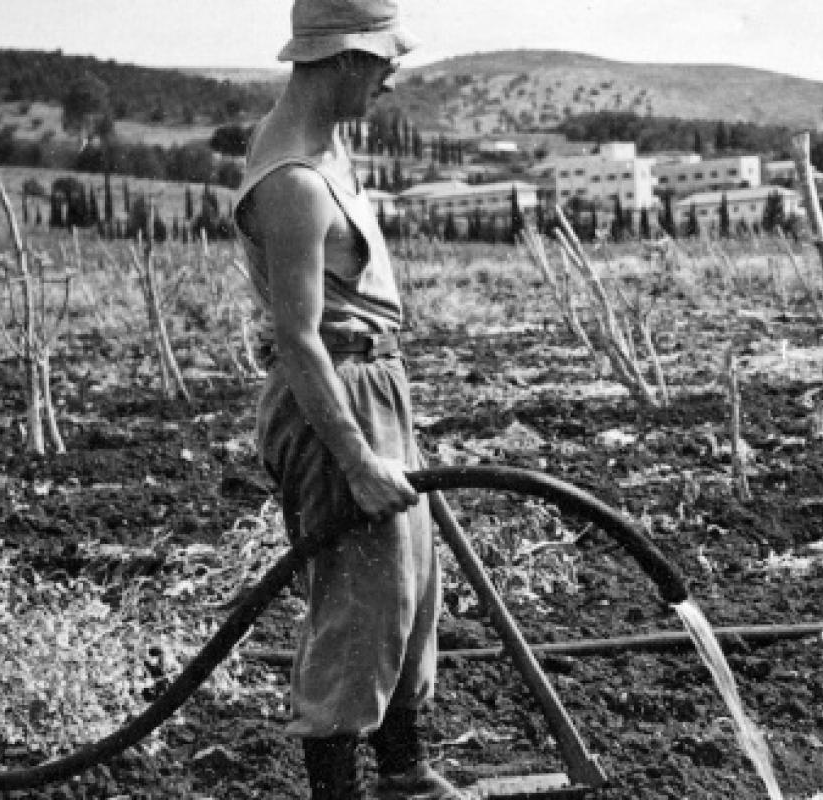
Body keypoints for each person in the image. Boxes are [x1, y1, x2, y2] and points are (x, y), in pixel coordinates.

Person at [230, 2, 471, 798]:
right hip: (334, 398)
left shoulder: (331, 149)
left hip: (376, 385)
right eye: (381, 61)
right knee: (360, 610)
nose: (390, 77)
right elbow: (298, 338)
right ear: (341, 59)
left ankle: (404, 775)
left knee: (411, 593)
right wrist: (357, 457)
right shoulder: (293, 181)